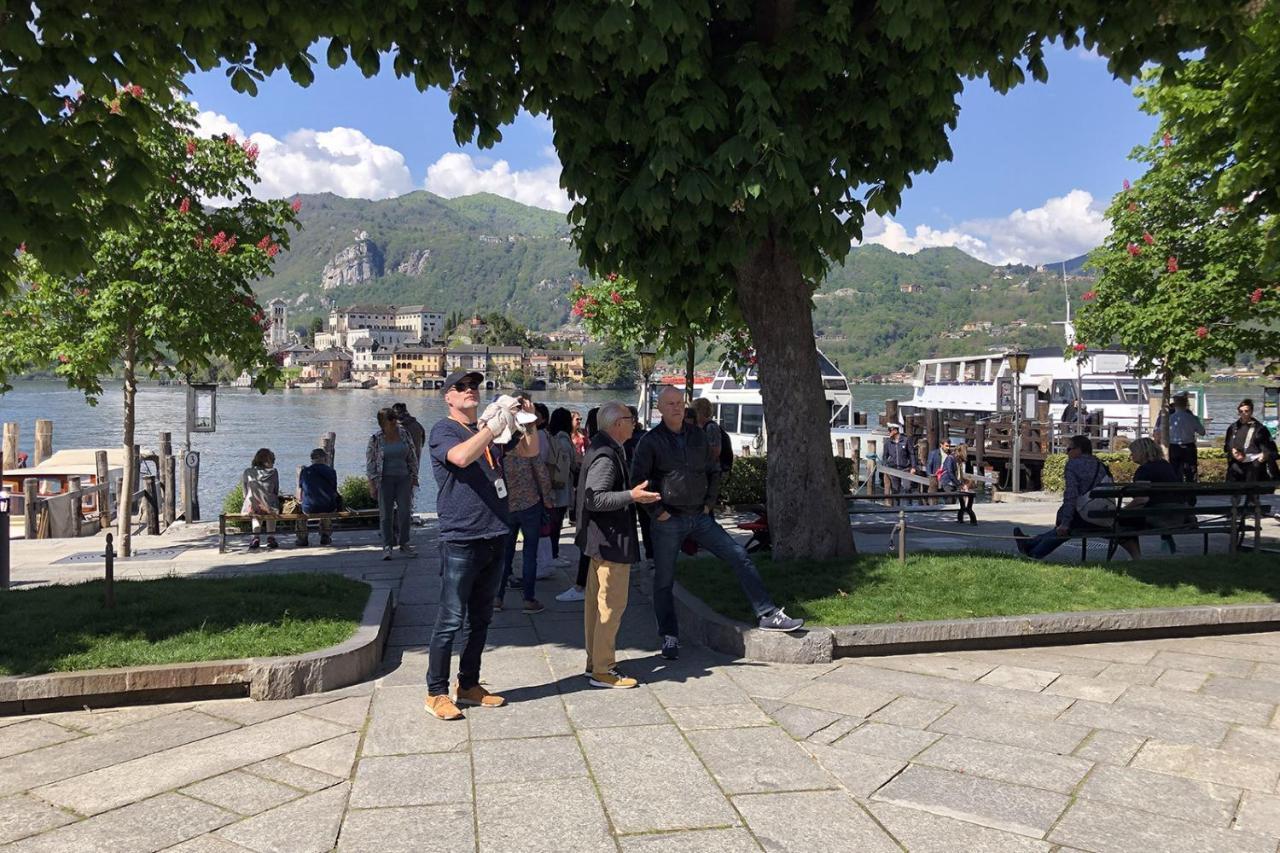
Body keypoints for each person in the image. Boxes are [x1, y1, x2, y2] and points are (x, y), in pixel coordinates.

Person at [633, 386, 803, 661]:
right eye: (670, 403)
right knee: (664, 580)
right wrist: (658, 512)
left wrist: (709, 502)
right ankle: (669, 635)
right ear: (660, 409)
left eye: (679, 402)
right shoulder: (650, 442)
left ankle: (768, 613)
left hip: (699, 516)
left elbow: (713, 470)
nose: (676, 407)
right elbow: (638, 481)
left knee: (739, 555)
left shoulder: (697, 436)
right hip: (668, 520)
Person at [425, 370, 538, 720]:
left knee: (481, 618)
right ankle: (435, 692)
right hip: (461, 536)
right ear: (448, 396)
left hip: (495, 532)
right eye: (461, 387)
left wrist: (525, 421)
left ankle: (469, 684)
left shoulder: (487, 431)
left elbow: (531, 451)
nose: (470, 391)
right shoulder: (444, 430)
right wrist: (492, 426)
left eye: (474, 386)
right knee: (450, 619)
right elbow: (460, 458)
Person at [576, 401, 662, 688]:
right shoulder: (606, 454)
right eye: (630, 418)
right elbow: (594, 498)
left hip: (601, 540)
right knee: (610, 607)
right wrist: (632, 496)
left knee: (596, 606)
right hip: (610, 541)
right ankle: (603, 668)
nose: (634, 422)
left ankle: (596, 662)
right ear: (616, 424)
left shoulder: (603, 447)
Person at [1013, 435, 1137, 560]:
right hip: (1106, 517)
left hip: (1086, 518)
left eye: (1069, 449)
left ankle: (1034, 553)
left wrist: (1065, 522)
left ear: (1079, 449)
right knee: (1065, 525)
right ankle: (1029, 544)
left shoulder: (1073, 465)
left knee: (1064, 527)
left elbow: (1070, 496)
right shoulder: (1101, 465)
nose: (1067, 453)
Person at [500, 402, 553, 614]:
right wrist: (547, 499)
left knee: (505, 552)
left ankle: (497, 597)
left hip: (506, 505)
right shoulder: (527, 446)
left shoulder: (499, 449)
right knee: (530, 552)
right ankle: (529, 599)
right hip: (530, 503)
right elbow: (541, 473)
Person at [366, 407, 420, 561]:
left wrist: (414, 476)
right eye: (391, 421)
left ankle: (404, 543)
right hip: (384, 480)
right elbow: (370, 462)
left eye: (395, 420)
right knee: (385, 515)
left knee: (404, 512)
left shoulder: (404, 434)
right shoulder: (376, 439)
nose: (394, 423)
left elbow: (412, 455)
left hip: (404, 478)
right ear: (383, 423)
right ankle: (387, 546)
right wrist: (372, 484)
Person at [1124, 437, 1182, 555]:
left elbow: (1141, 499)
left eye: (1133, 452)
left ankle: (1136, 556)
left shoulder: (1144, 470)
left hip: (1156, 516)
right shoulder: (1165, 465)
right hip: (1177, 513)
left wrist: (1123, 510)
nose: (1131, 455)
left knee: (1122, 522)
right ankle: (1167, 544)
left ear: (1142, 452)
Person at [1155, 393, 1205, 484]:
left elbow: (1159, 432)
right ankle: (1191, 493)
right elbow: (1202, 432)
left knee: (1174, 471)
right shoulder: (1192, 418)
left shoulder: (1169, 418)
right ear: (1186, 404)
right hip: (1189, 446)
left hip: (1174, 446)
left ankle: (1175, 492)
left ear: (1174, 404)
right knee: (1191, 472)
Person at [1225, 398, 1275, 484]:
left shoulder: (1260, 429)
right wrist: (1233, 452)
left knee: (1252, 491)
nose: (1243, 414)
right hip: (1237, 463)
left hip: (1254, 463)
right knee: (1234, 490)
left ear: (1251, 411)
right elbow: (1228, 445)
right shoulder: (1233, 428)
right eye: (1241, 411)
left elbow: (1269, 448)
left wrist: (1262, 457)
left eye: (1246, 411)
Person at [297, 448, 339, 546]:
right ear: (324, 458)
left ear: (312, 459)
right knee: (327, 507)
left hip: (309, 508)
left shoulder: (305, 471)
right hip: (328, 506)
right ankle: (325, 535)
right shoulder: (331, 471)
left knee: (300, 512)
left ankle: (302, 537)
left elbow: (301, 490)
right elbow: (334, 490)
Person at [241, 448, 280, 550]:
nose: (274, 463)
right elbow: (275, 490)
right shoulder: (274, 472)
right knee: (271, 505)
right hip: (269, 506)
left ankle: (255, 537)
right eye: (273, 460)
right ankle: (271, 537)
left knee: (255, 507)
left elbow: (245, 492)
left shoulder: (248, 472)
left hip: (252, 506)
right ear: (268, 461)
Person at [941, 443, 977, 525]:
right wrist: (959, 484)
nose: (966, 453)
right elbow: (950, 473)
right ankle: (948, 520)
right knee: (950, 501)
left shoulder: (958, 459)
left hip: (956, 482)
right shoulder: (951, 458)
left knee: (962, 502)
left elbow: (959, 474)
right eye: (965, 451)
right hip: (948, 482)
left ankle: (960, 519)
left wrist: (962, 482)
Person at [882, 423, 918, 502]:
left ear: (895, 431)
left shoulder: (906, 440)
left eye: (890, 431)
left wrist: (913, 467)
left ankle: (909, 505)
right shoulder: (888, 442)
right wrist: (885, 467)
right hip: (893, 468)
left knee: (907, 487)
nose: (889, 432)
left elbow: (912, 454)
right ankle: (896, 506)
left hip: (905, 468)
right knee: (895, 489)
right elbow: (885, 456)